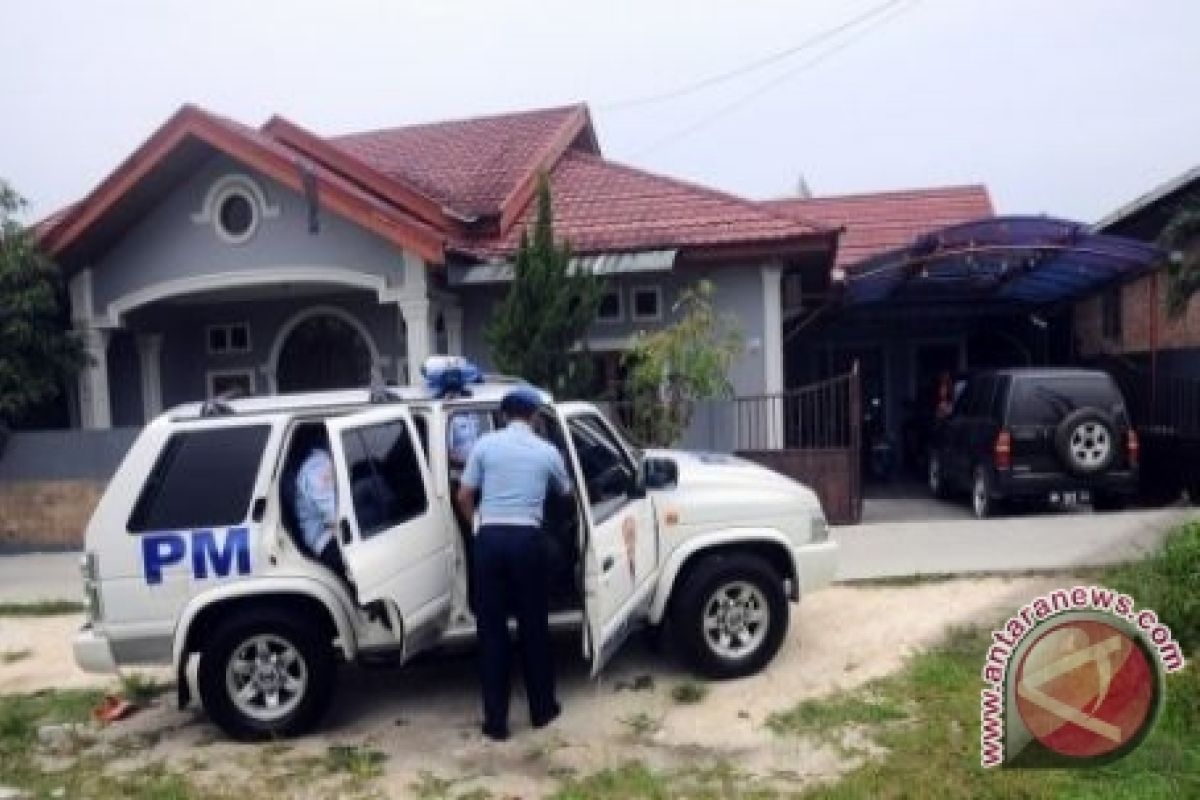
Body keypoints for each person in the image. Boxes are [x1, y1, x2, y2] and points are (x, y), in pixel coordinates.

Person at [456, 386, 573, 741]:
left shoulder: (484, 446)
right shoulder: (546, 450)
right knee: (533, 627)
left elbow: (464, 495)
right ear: (535, 416)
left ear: (504, 415)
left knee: (491, 633)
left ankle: (496, 723)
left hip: (489, 542)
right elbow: (566, 493)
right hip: (527, 541)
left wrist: (477, 526)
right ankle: (542, 710)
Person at [293, 439, 346, 578]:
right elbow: (335, 518)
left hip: (320, 538)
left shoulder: (315, 464)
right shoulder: (319, 466)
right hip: (326, 541)